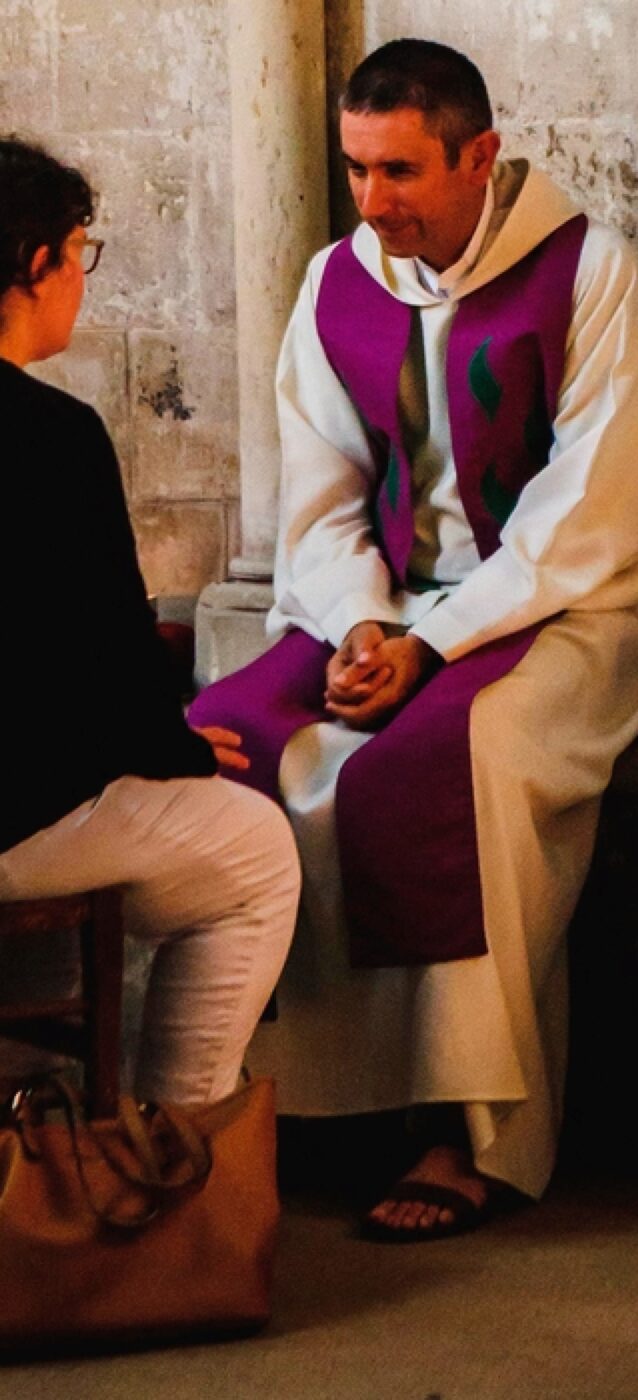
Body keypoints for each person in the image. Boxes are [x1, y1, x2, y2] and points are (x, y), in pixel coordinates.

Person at [189, 38, 638, 1239]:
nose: (373, 206)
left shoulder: (590, 276)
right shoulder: (337, 284)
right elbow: (317, 497)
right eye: (358, 171)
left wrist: (433, 650)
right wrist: (367, 623)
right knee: (232, 744)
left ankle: (470, 1128)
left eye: (402, 172)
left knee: (459, 759)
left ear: (480, 156)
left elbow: (592, 509)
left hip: (586, 595)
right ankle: (274, 1104)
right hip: (388, 600)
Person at [0, 137, 300, 1107]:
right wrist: (177, 747)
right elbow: (109, 674)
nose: (80, 282)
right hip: (13, 819)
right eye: (79, 255)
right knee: (254, 851)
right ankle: (169, 1158)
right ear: (34, 264)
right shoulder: (52, 437)